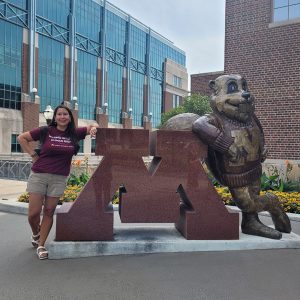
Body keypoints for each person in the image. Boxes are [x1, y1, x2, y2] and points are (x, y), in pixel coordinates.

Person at [17, 104, 99, 260]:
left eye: (65, 114)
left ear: (69, 118)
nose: (62, 117)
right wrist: (33, 155)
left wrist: (95, 128)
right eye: (59, 114)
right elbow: (22, 138)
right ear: (55, 117)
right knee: (33, 214)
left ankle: (41, 245)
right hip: (39, 175)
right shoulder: (46, 131)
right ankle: (36, 233)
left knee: (49, 211)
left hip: (59, 177)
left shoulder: (75, 133)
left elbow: (94, 125)